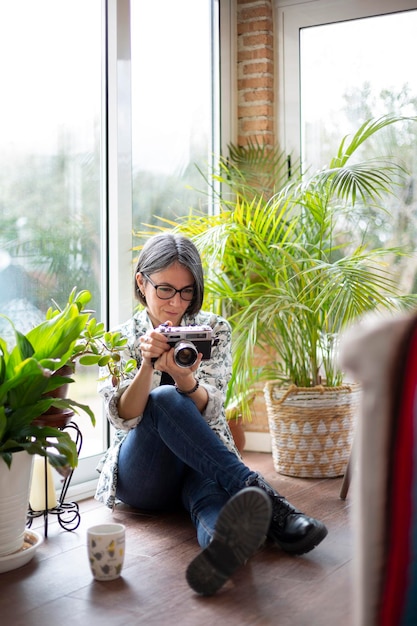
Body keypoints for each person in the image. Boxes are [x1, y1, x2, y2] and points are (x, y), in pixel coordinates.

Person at [95, 233, 328, 596]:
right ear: (142, 281)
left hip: (200, 464)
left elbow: (213, 407)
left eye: (187, 291)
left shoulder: (213, 330)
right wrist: (147, 365)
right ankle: (273, 503)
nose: (176, 302)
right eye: (166, 289)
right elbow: (124, 417)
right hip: (145, 475)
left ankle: (225, 548)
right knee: (162, 399)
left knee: (210, 494)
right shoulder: (117, 339)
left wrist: (186, 377)